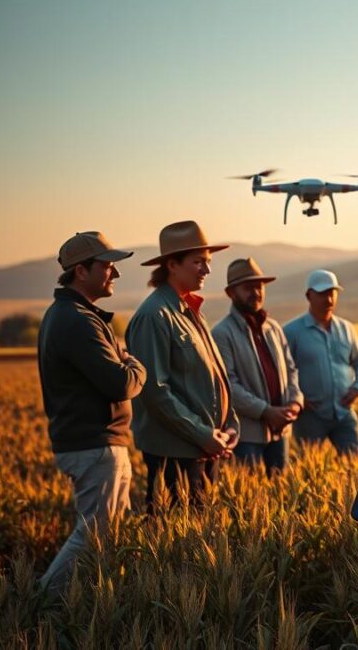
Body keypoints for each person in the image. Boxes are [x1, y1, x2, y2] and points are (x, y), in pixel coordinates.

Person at [36, 232, 147, 596]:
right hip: (94, 445)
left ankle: (88, 607)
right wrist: (135, 364)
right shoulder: (77, 320)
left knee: (105, 535)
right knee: (94, 535)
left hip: (93, 443)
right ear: (81, 271)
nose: (114, 273)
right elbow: (120, 384)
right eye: (107, 265)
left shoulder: (71, 315)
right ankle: (42, 604)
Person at [126, 220, 239, 513]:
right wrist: (203, 434)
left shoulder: (191, 311)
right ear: (172, 265)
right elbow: (155, 391)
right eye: (198, 262)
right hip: (175, 454)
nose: (207, 269)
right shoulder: (154, 316)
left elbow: (214, 377)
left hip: (203, 448)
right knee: (174, 545)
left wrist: (229, 425)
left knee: (198, 542)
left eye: (208, 262)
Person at [212, 258, 303, 476]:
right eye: (248, 287)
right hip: (246, 436)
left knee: (279, 495)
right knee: (248, 499)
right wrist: (265, 411)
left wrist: (295, 403)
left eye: (259, 286)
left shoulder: (273, 328)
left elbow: (291, 370)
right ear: (231, 293)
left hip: (280, 432)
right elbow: (228, 386)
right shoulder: (222, 333)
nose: (256, 292)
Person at [283, 270, 358, 454]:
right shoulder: (291, 332)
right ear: (308, 296)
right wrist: (298, 399)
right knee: (308, 468)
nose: (328, 300)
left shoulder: (347, 329)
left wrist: (357, 387)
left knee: (355, 464)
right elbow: (283, 371)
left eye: (332, 293)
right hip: (309, 416)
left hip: (344, 412)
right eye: (322, 294)